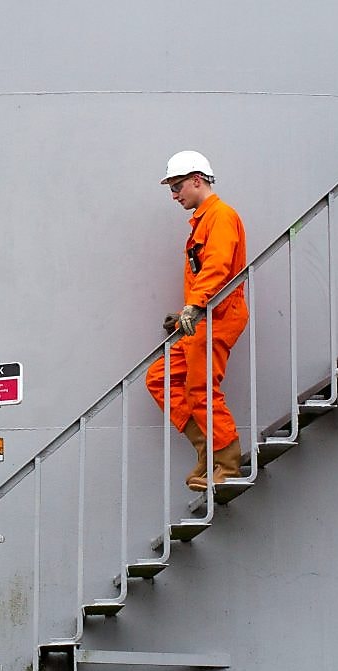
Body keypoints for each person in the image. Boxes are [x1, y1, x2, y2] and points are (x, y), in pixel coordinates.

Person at [145, 150, 249, 492]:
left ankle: (229, 462)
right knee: (159, 378)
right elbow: (204, 272)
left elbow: (218, 268)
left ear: (196, 180)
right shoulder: (204, 220)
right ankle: (207, 449)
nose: (175, 196)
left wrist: (195, 305)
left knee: (202, 390)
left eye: (177, 187)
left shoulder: (220, 216)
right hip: (203, 316)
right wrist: (186, 312)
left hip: (217, 317)